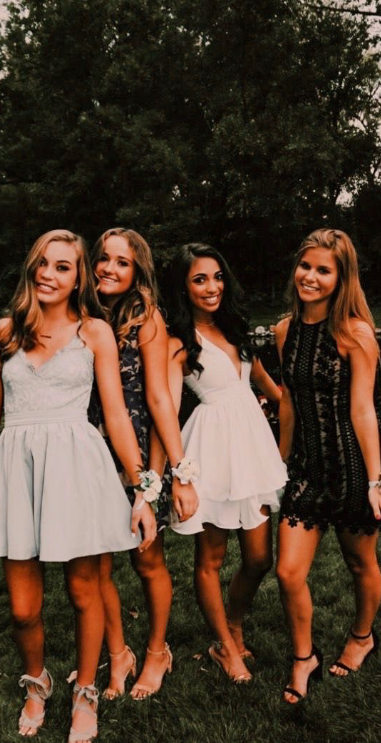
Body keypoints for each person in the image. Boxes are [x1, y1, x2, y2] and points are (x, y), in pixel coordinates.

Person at [0, 229, 157, 743]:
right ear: (30, 268)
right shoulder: (3, 333)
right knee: (22, 609)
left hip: (78, 467)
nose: (49, 274)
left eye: (62, 266)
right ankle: (37, 683)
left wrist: (142, 489)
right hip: (19, 471)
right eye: (42, 263)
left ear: (78, 278)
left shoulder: (94, 332)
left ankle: (85, 692)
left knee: (84, 591)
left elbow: (117, 417)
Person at [274, 228, 381, 704]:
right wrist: (279, 465)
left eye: (323, 270)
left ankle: (362, 637)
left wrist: (375, 481)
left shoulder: (355, 333)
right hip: (305, 470)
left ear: (341, 278)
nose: (310, 276)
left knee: (359, 562)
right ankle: (303, 657)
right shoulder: (283, 331)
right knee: (288, 572)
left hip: (349, 469)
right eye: (305, 266)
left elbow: (363, 410)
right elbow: (288, 401)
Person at [163, 242, 287, 683]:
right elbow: (166, 408)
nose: (212, 287)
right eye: (199, 279)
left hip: (251, 449)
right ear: (183, 287)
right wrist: (179, 474)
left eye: (217, 277)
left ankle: (233, 621)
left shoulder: (234, 328)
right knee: (211, 557)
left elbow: (262, 381)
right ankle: (224, 646)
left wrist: (293, 408)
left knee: (259, 558)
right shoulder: (178, 343)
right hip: (211, 450)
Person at [88, 228, 199, 700]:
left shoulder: (146, 319)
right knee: (96, 565)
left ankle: (156, 652)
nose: (110, 268)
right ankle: (119, 654)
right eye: (104, 258)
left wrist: (166, 478)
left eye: (122, 262)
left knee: (146, 558)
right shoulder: (82, 314)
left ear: (137, 272)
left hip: (136, 456)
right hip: (88, 453)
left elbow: (159, 400)